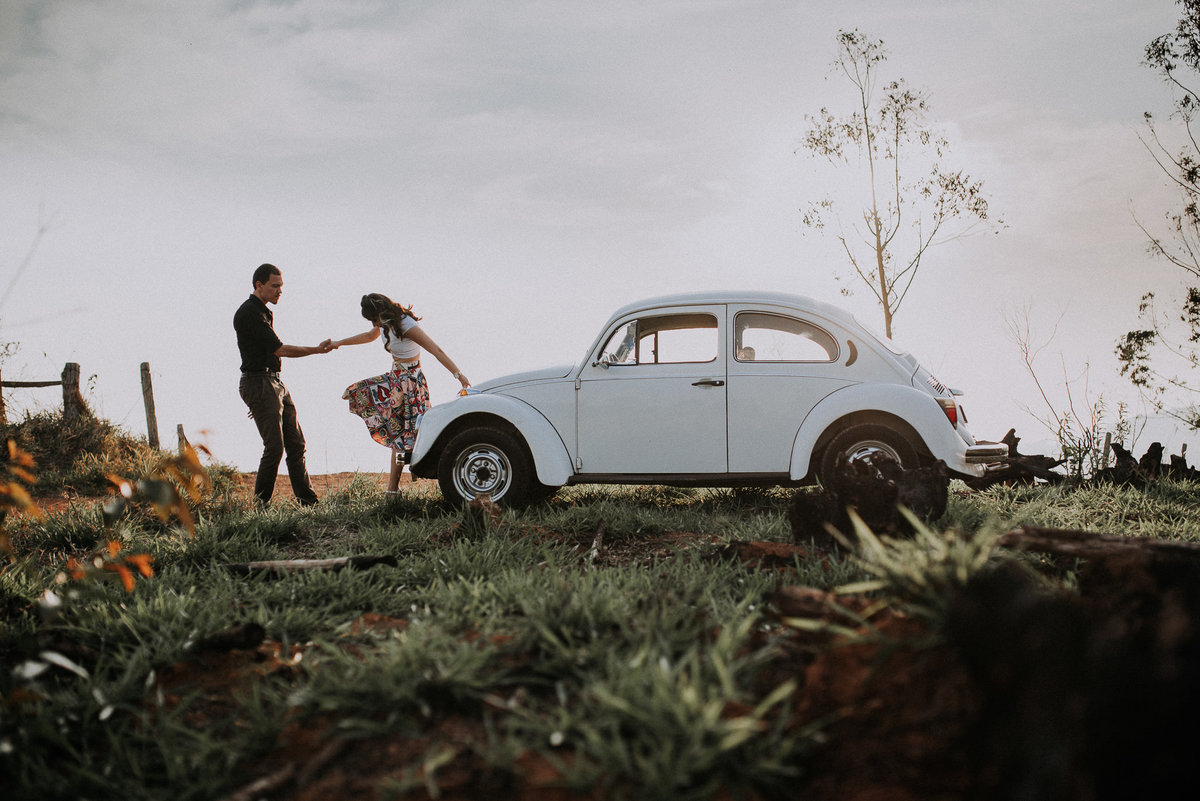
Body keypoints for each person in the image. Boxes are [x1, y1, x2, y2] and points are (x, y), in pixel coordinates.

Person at [332, 293, 470, 492]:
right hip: (396, 379)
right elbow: (369, 336)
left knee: (409, 434)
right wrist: (339, 343)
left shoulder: (406, 324)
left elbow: (436, 350)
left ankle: (397, 489)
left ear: (381, 313)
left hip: (411, 384)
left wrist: (459, 376)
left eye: (373, 319)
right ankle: (394, 488)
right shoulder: (386, 323)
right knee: (398, 433)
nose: (373, 324)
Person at [233, 263, 335, 507]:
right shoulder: (249, 312)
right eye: (275, 286)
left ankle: (308, 502)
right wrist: (318, 350)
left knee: (296, 444)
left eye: (281, 286)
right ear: (259, 285)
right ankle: (260, 507)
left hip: (273, 383)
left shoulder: (263, 311)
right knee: (275, 448)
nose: (280, 291)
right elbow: (280, 349)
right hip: (260, 382)